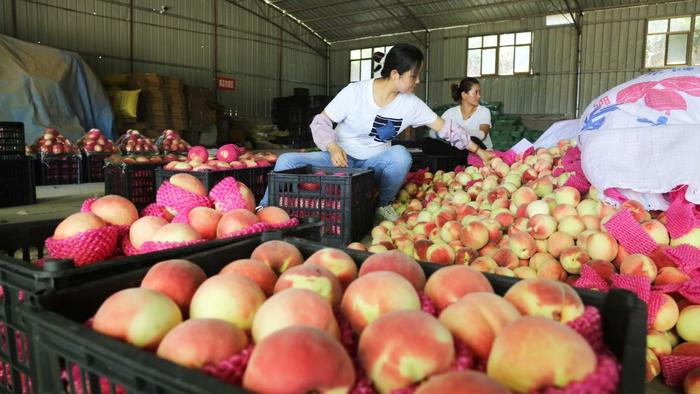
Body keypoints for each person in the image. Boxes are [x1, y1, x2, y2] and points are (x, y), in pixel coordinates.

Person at [258, 43, 493, 221]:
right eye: (414, 75)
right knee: (287, 160)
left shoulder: (410, 104)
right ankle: (263, 208)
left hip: (373, 165)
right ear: (394, 75)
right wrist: (331, 145)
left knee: (401, 155)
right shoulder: (355, 93)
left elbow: (447, 129)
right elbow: (320, 122)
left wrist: (479, 151)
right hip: (340, 160)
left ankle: (381, 204)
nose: (418, 80)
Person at [425, 77, 492, 157]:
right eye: (476, 92)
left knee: (473, 140)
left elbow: (482, 135)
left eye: (479, 92)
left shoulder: (484, 111)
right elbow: (432, 132)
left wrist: (458, 131)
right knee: (427, 142)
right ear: (464, 95)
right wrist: (450, 134)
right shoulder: (450, 113)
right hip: (458, 151)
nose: (479, 96)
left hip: (480, 151)